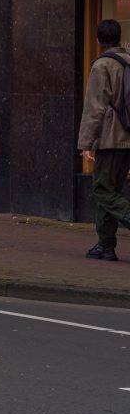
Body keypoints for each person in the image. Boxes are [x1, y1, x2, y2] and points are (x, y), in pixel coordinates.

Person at [78, 19, 130, 261]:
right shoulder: (128, 60)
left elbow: (94, 108)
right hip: (128, 139)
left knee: (102, 189)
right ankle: (105, 244)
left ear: (99, 39)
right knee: (112, 189)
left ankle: (108, 241)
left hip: (111, 138)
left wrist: (86, 143)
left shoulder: (103, 66)